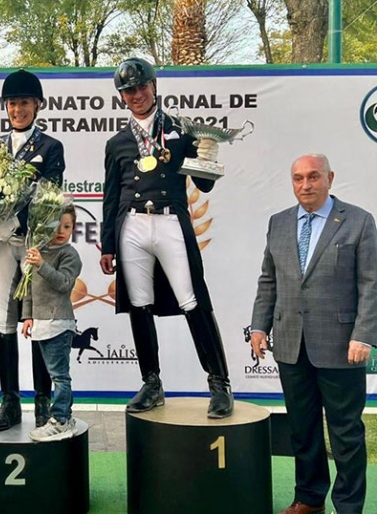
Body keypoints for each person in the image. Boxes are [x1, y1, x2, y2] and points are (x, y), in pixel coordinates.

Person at [100, 57, 233, 419]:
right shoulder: (118, 142)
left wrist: (207, 150)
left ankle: (220, 384)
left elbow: (203, 183)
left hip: (171, 219)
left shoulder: (180, 128)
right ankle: (151, 382)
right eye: (129, 90)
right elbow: (111, 194)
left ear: (154, 86)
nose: (137, 94)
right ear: (122, 97)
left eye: (142, 87)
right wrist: (108, 243)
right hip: (132, 225)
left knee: (193, 300)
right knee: (139, 305)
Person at [251, 154, 377, 514]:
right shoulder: (279, 223)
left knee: (346, 435)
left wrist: (364, 334)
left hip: (342, 346)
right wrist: (260, 326)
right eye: (298, 178)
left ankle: (349, 506)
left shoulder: (358, 221)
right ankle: (309, 498)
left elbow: (371, 283)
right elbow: (268, 280)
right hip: (291, 345)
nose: (305, 185)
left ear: (330, 178)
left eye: (313, 177)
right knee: (302, 431)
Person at [0, 69, 65, 432]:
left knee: (40, 317)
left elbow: (51, 195)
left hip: (32, 242)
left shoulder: (50, 147)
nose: (18, 109)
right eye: (13, 103)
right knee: (5, 318)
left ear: (37, 105)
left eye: (24, 103)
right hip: (1, 243)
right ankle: (9, 400)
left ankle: (43, 400)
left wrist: (22, 214)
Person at [22, 204, 82, 442]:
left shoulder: (70, 255)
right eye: (56, 225)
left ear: (73, 228)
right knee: (53, 374)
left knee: (59, 376)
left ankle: (62, 419)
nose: (61, 231)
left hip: (59, 322)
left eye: (66, 226)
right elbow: (28, 287)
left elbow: (65, 284)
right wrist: (27, 316)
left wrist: (41, 265)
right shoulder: (38, 251)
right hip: (40, 323)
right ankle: (60, 417)